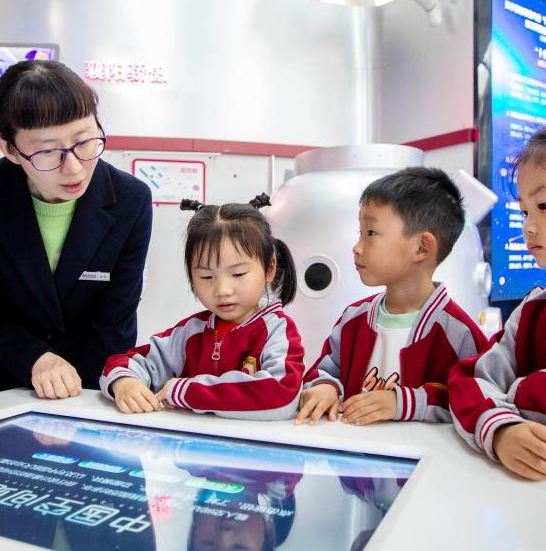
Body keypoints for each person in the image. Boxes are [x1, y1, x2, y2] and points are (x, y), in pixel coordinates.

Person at [0, 60, 152, 398]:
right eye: (48, 152)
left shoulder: (131, 200)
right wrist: (33, 358)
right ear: (10, 150)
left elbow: (116, 316)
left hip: (93, 386)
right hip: (4, 383)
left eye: (85, 142)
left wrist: (98, 390)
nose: (74, 168)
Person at [297, 167, 487, 425]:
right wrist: (325, 387)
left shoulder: (459, 333)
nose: (356, 247)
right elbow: (325, 371)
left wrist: (403, 403)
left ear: (421, 247)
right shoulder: (354, 318)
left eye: (371, 233)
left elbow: (476, 401)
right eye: (360, 232)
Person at [99, 198, 304, 419]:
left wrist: (186, 392)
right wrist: (124, 381)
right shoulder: (191, 331)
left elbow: (282, 394)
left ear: (269, 268)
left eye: (238, 274)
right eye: (206, 276)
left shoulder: (277, 330)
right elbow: (127, 362)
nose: (222, 290)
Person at [449, 128, 546, 480]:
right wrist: (502, 429)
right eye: (524, 211)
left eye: (543, 206)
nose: (528, 227)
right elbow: (471, 380)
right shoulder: (532, 312)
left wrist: (520, 390)